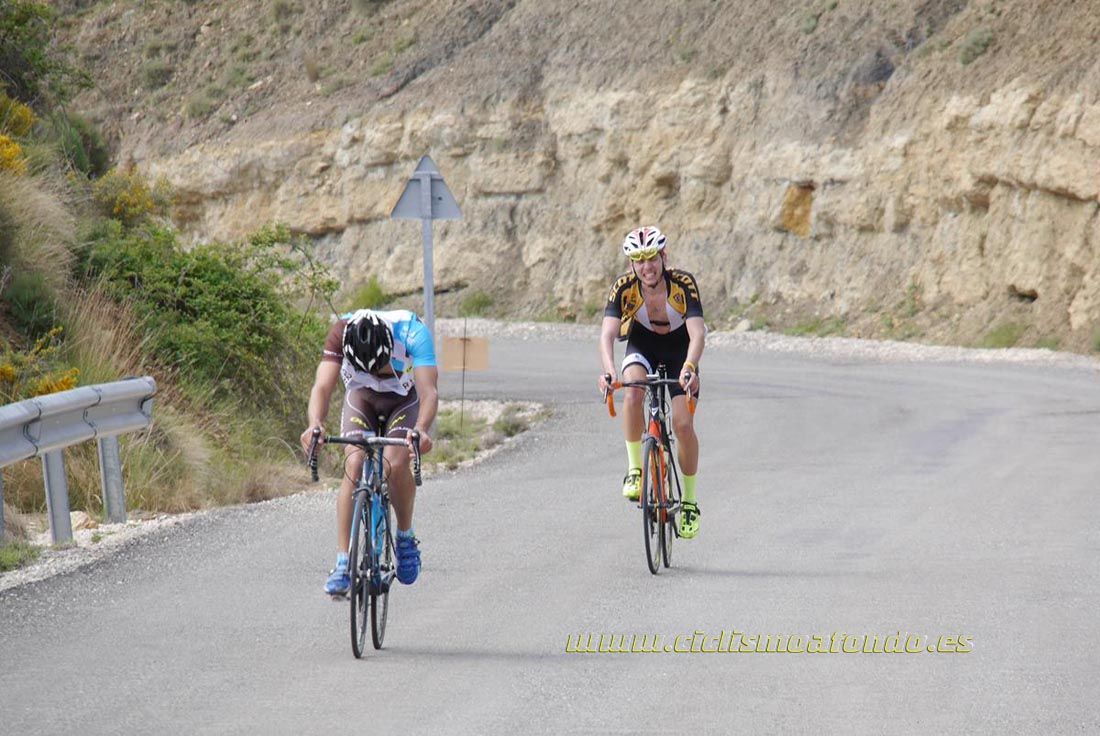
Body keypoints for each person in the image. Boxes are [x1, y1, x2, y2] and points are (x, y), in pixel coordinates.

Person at [300, 308, 438, 595]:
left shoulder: (412, 332)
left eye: (381, 366)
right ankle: (342, 563)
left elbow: (429, 393)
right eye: (367, 368)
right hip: (360, 397)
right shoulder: (341, 331)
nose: (377, 374)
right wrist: (314, 425)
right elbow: (322, 387)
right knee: (354, 464)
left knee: (395, 464)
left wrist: (422, 429)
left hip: (403, 399)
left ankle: (404, 537)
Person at [598, 226, 705, 538]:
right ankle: (635, 469)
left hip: (679, 351)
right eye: (639, 260)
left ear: (663, 257)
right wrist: (608, 371)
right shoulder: (623, 288)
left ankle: (689, 501)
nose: (646, 266)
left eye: (651, 258)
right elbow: (607, 335)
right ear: (632, 264)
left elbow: (698, 333)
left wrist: (690, 366)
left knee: (683, 426)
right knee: (632, 394)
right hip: (642, 345)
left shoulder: (683, 284)